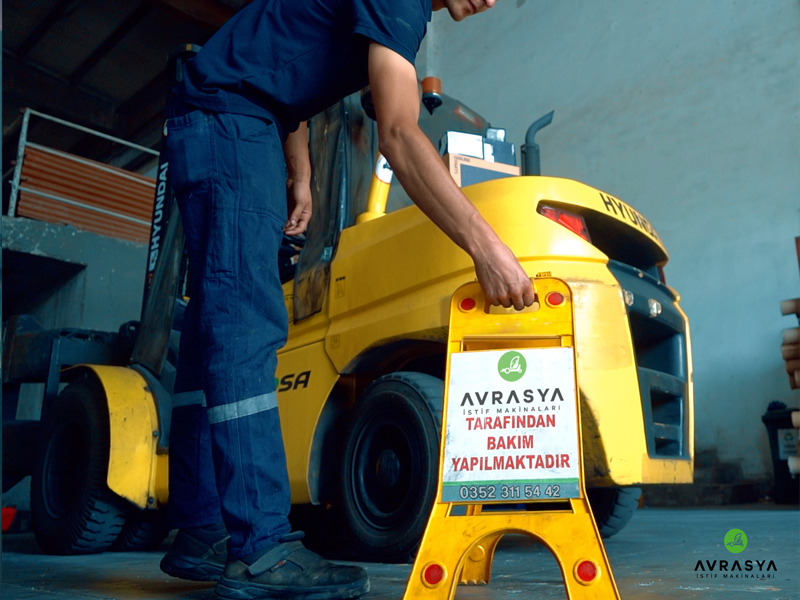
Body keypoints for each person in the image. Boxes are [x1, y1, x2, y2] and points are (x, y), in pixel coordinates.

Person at [159, 0, 536, 598]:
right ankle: (261, 551)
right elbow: (399, 135)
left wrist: (301, 175)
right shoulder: (401, 4)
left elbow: (283, 73)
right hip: (232, 120)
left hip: (229, 115)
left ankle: (202, 530)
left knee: (214, 322)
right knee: (244, 323)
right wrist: (486, 248)